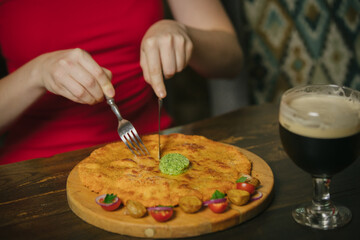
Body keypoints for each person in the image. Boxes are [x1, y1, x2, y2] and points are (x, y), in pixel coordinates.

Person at [0, 0, 243, 164]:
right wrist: (37, 73)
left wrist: (183, 32)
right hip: (33, 166)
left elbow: (231, 60)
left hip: (150, 147)